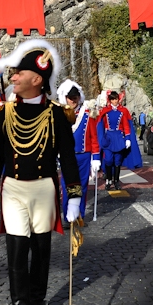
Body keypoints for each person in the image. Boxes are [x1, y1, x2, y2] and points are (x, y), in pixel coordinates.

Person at [0, 39, 82, 305]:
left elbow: (67, 157)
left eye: (18, 74)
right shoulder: (4, 113)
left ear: (36, 79)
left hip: (43, 189)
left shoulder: (56, 115)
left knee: (41, 251)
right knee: (16, 252)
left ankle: (38, 303)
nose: (11, 77)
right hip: (12, 188)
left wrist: (74, 195)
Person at [57, 79, 100, 229]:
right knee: (66, 186)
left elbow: (94, 137)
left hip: (83, 155)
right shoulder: (60, 114)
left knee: (82, 187)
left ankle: (79, 215)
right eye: (70, 97)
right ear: (65, 98)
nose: (73, 100)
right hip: (66, 156)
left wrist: (96, 157)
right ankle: (67, 216)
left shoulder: (87, 114)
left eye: (75, 98)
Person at [96, 91, 142, 190]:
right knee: (108, 159)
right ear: (110, 100)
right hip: (108, 138)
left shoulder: (123, 111)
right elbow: (100, 125)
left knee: (117, 160)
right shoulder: (105, 110)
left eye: (116, 99)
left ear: (118, 99)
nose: (114, 101)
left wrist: (128, 139)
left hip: (119, 138)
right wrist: (101, 138)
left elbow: (126, 125)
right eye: (112, 99)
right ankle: (108, 180)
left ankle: (116, 181)